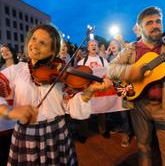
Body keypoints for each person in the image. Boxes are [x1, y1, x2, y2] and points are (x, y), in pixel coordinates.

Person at [0, 24, 112, 165]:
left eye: (42, 43)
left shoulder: (62, 73)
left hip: (56, 131)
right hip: (26, 133)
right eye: (33, 39)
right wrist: (10, 112)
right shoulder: (15, 70)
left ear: (53, 52)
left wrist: (89, 92)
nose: (34, 45)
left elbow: (75, 110)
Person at [107, 6, 165, 165]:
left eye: (158, 21)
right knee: (143, 148)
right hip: (139, 105)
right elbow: (110, 69)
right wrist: (132, 71)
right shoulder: (131, 48)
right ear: (140, 28)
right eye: (149, 23)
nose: (155, 25)